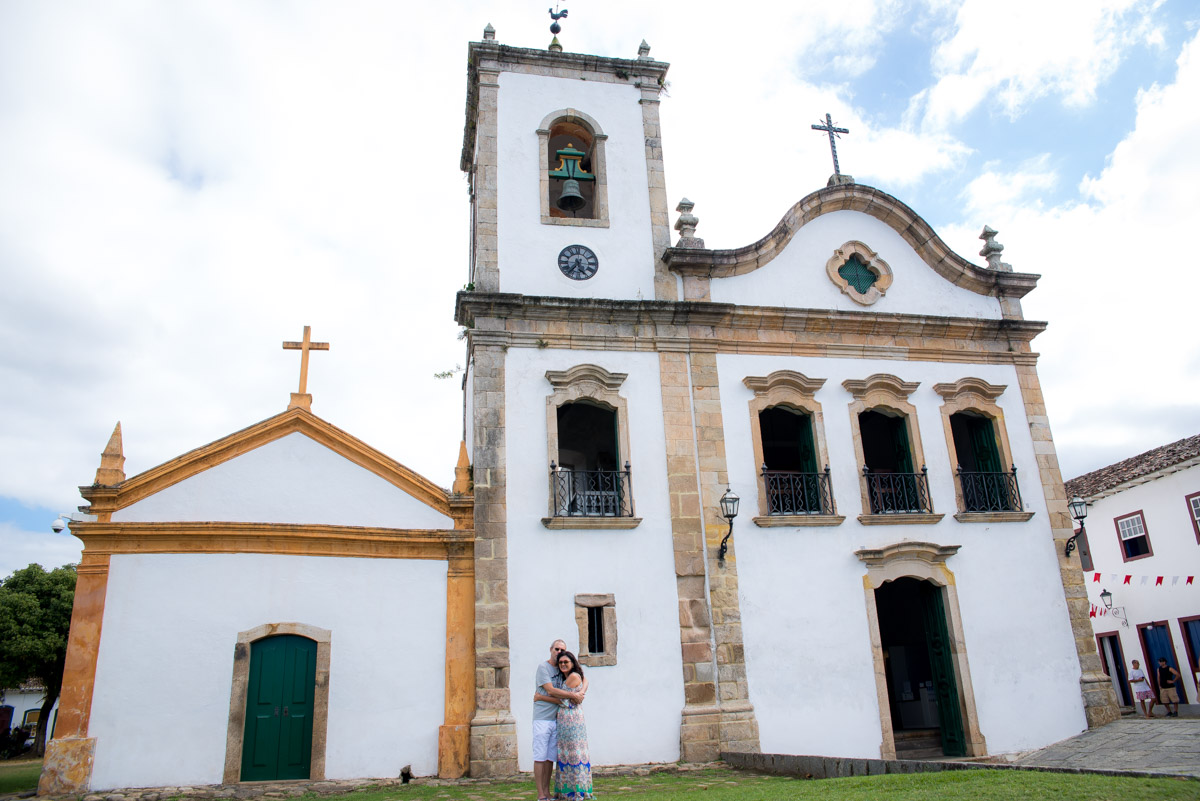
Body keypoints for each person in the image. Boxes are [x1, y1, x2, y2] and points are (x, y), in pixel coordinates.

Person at [533, 639, 584, 801]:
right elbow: (551, 690)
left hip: (557, 719)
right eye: (556, 649)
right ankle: (541, 794)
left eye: (562, 650)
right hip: (542, 718)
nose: (559, 652)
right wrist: (573, 696)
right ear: (550, 649)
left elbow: (583, 677)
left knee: (550, 758)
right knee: (540, 756)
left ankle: (548, 792)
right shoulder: (543, 668)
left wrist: (582, 691)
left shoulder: (565, 671)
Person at [549, 650, 593, 800]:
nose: (562, 664)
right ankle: (568, 790)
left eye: (566, 662)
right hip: (564, 719)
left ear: (573, 663)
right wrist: (578, 693)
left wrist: (541, 696)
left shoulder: (573, 676)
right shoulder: (568, 677)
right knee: (566, 752)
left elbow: (558, 696)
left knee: (574, 752)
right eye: (560, 662)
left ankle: (576, 791)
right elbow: (567, 696)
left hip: (571, 719)